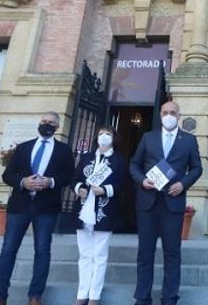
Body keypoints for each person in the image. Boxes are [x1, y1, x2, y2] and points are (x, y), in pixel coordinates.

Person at [0, 112, 74, 305]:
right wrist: (22, 181)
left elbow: (69, 176)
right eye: (44, 121)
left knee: (42, 251)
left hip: (46, 208)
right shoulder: (23, 147)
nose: (47, 124)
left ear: (57, 127)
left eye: (51, 122)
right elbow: (7, 175)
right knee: (9, 249)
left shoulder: (63, 150)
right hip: (19, 206)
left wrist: (50, 182)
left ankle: (35, 296)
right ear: (39, 123)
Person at [130, 100, 203, 305]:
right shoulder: (147, 137)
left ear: (179, 116)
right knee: (145, 253)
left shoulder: (188, 140)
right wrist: (142, 180)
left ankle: (170, 297)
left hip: (173, 203)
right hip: (148, 203)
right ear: (160, 115)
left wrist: (183, 184)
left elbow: (197, 168)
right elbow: (134, 165)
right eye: (165, 112)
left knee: (172, 253)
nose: (169, 115)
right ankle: (142, 297)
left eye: (173, 112)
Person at [73, 125, 126, 305]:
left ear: (113, 138)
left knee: (100, 255)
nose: (103, 136)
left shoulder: (118, 160)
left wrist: (104, 190)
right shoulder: (86, 157)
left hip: (105, 211)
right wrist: (79, 188)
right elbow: (75, 178)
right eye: (101, 133)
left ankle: (94, 295)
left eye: (108, 134)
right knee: (85, 255)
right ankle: (82, 293)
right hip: (83, 210)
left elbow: (122, 185)